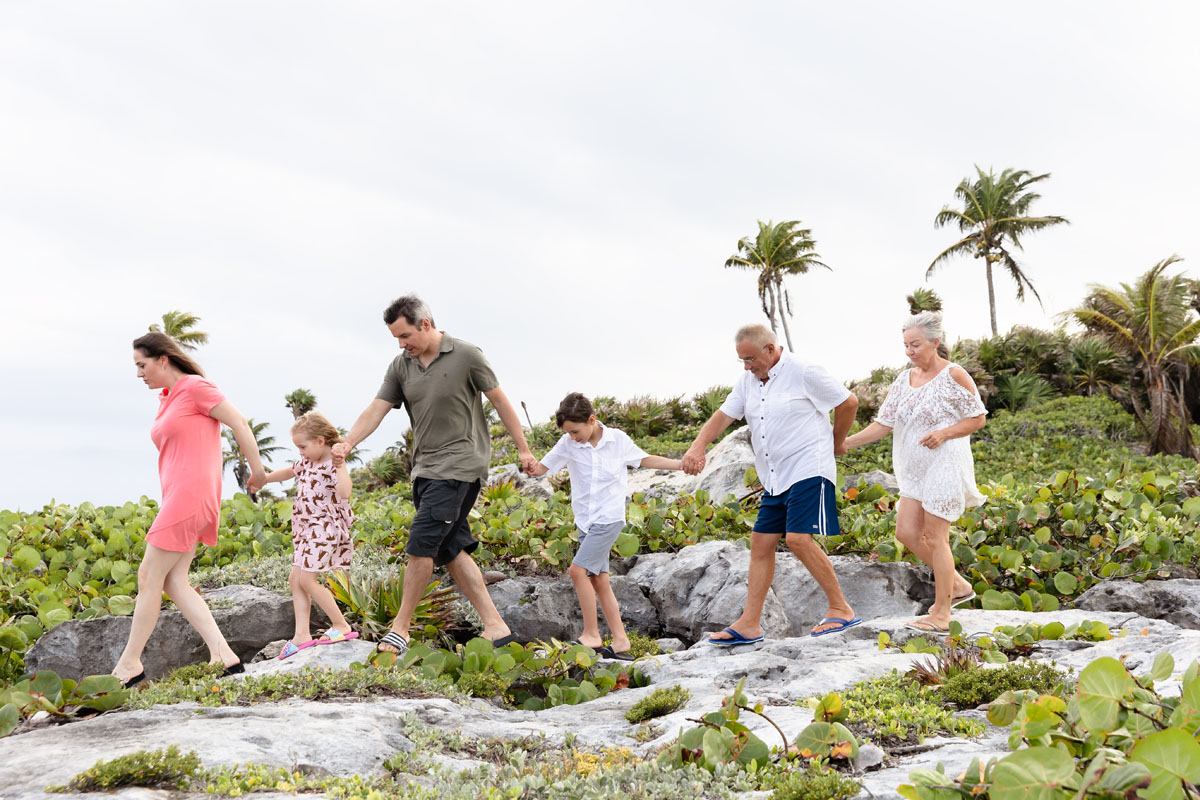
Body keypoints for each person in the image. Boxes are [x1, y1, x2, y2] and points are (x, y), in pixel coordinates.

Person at [300, 295, 537, 658]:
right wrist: (348, 442)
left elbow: (500, 400)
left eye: (405, 335)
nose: (401, 344)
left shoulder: (467, 355)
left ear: (425, 324)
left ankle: (400, 629)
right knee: (449, 548)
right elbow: (375, 409)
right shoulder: (401, 366)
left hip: (460, 466)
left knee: (421, 543)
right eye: (396, 338)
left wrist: (523, 448)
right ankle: (495, 625)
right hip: (425, 470)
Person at [682, 324, 860, 643]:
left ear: (770, 348)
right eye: (742, 361)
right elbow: (723, 416)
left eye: (751, 358)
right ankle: (750, 623)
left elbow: (848, 402)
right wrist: (698, 446)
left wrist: (837, 441)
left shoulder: (803, 370)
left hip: (809, 466)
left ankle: (841, 609)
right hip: (775, 476)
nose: (748, 366)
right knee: (761, 542)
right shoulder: (747, 382)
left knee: (797, 539)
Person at [112, 332, 267, 687]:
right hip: (178, 496)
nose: (139, 374)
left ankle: (129, 665)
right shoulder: (167, 398)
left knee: (148, 578)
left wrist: (257, 472)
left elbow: (239, 422)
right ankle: (223, 654)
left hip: (190, 496)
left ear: (162, 359)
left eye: (142, 365)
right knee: (173, 581)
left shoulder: (196, 387)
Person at [839, 312, 987, 633]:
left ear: (935, 342)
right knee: (906, 532)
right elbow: (882, 424)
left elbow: (977, 418)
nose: (910, 352)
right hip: (914, 468)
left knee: (935, 537)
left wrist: (945, 433)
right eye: (906, 346)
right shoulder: (902, 380)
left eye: (916, 345)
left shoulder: (954, 375)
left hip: (945, 463)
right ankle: (958, 585)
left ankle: (943, 614)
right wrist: (843, 443)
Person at [526, 393, 684, 659]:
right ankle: (621, 641)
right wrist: (531, 465)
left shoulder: (617, 440)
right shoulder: (567, 443)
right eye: (569, 433)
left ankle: (592, 635)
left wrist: (680, 465)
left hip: (608, 518)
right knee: (599, 580)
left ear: (592, 419)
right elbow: (542, 469)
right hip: (585, 520)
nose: (573, 437)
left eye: (576, 431)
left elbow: (644, 459)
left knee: (578, 572)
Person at [259, 412, 359, 658]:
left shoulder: (331, 464)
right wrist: (263, 479)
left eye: (303, 446)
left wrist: (341, 465)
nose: (300, 451)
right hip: (305, 529)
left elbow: (345, 492)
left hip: (324, 528)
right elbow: (288, 472)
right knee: (296, 579)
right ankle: (301, 635)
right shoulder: (307, 462)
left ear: (320, 441)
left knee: (306, 580)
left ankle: (341, 625)